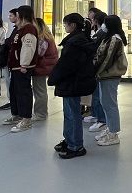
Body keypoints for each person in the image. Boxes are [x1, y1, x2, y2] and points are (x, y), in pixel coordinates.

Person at [49, 13, 96, 159]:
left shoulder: (75, 43)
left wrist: (53, 78)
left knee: (72, 115)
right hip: (74, 82)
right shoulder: (80, 40)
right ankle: (69, 140)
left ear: (73, 25)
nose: (64, 26)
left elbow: (67, 65)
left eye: (66, 24)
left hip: (72, 82)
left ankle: (75, 145)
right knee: (70, 113)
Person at [1, 5, 40, 132]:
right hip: (15, 67)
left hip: (22, 67)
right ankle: (17, 114)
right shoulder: (20, 29)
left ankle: (26, 119)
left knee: (23, 93)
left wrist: (24, 64)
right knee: (14, 91)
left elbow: (28, 48)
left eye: (17, 14)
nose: (15, 16)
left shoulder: (29, 29)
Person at [94, 15, 128, 146]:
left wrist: (96, 71)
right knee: (105, 102)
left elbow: (107, 59)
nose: (103, 25)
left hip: (110, 75)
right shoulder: (109, 37)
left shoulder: (115, 39)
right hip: (105, 75)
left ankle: (114, 133)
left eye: (105, 23)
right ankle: (110, 127)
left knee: (110, 104)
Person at [32, 17, 58, 122]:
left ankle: (40, 114)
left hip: (41, 67)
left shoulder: (42, 38)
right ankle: (41, 113)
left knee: (39, 92)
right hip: (46, 66)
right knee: (41, 91)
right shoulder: (49, 36)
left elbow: (39, 53)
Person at [86, 10, 108, 132]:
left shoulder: (101, 34)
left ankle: (102, 120)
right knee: (95, 93)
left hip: (99, 68)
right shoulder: (99, 32)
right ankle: (95, 115)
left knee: (99, 95)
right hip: (96, 68)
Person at [0, 8, 18, 111]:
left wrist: (5, 42)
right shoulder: (16, 29)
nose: (9, 17)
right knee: (9, 81)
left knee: (11, 82)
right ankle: (12, 101)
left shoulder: (21, 29)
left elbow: (12, 42)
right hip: (11, 60)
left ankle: (14, 103)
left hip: (16, 62)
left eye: (11, 15)